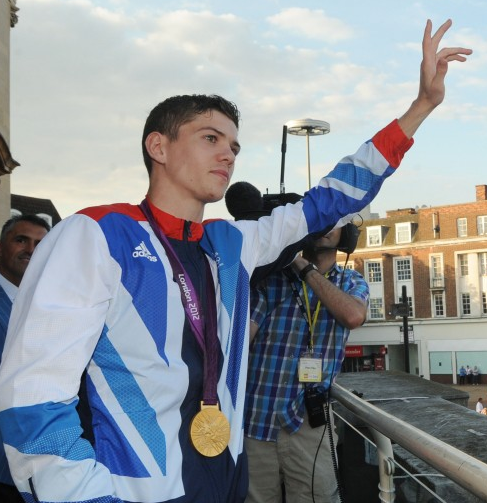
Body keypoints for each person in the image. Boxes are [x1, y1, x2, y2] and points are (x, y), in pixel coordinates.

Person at [0, 19, 471, 503]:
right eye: (210, 138)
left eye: (234, 146)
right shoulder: (95, 235)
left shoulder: (234, 244)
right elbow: (31, 397)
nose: (228, 154)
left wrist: (422, 107)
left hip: (226, 483)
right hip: (132, 492)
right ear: (157, 146)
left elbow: (329, 198)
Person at [244, 223, 366, 502]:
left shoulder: (351, 281)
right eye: (321, 221)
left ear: (346, 235)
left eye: (335, 223)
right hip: (256, 420)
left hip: (310, 425)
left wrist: (306, 270)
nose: (326, 228)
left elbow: (353, 316)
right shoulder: (272, 280)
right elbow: (239, 337)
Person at [0, 215, 50, 503]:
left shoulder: (52, 306)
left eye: (40, 245)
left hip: (40, 461)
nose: (31, 249)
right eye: (21, 240)